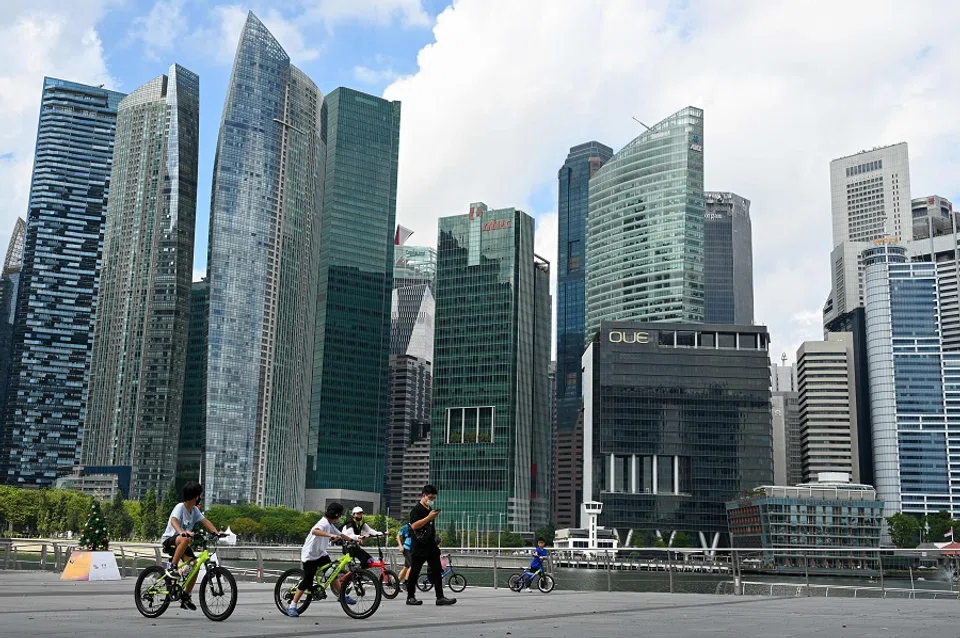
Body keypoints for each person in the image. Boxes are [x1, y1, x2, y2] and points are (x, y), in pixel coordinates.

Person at [159, 481, 221, 611]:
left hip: (182, 542)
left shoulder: (194, 511)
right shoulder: (180, 507)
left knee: (194, 567)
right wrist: (181, 532)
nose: (200, 498)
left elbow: (206, 522)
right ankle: (172, 567)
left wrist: (216, 532)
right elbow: (174, 520)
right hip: (170, 540)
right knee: (185, 540)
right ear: (195, 496)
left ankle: (186, 596)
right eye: (200, 495)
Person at [288, 502, 354, 617]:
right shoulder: (323, 523)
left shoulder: (330, 524)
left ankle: (342, 596)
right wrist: (330, 536)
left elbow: (341, 534)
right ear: (336, 515)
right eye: (340, 515)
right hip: (310, 556)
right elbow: (315, 531)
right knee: (307, 581)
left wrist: (353, 540)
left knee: (331, 573)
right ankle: (292, 605)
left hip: (321, 554)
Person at [405, 484, 456, 606]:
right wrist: (429, 517)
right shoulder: (416, 510)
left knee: (437, 570)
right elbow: (414, 526)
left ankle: (440, 597)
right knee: (415, 572)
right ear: (424, 495)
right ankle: (410, 597)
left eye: (434, 498)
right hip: (419, 547)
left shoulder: (429, 510)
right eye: (430, 497)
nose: (432, 500)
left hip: (431, 546)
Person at [396, 521, 413, 586]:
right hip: (406, 549)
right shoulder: (406, 527)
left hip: (412, 550)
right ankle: (406, 583)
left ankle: (396, 584)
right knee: (413, 565)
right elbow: (398, 536)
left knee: (406, 567)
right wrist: (400, 545)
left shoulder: (418, 526)